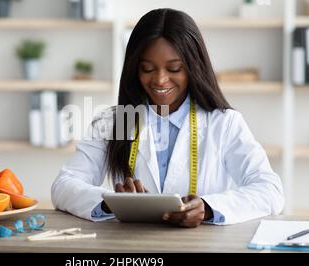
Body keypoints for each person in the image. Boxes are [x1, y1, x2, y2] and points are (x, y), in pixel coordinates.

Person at [51, 8, 284, 227]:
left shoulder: (224, 123)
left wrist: (209, 208)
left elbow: (270, 191)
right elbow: (63, 186)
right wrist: (109, 201)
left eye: (174, 69)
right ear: (135, 69)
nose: (160, 80)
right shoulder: (112, 122)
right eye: (148, 69)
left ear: (193, 67)